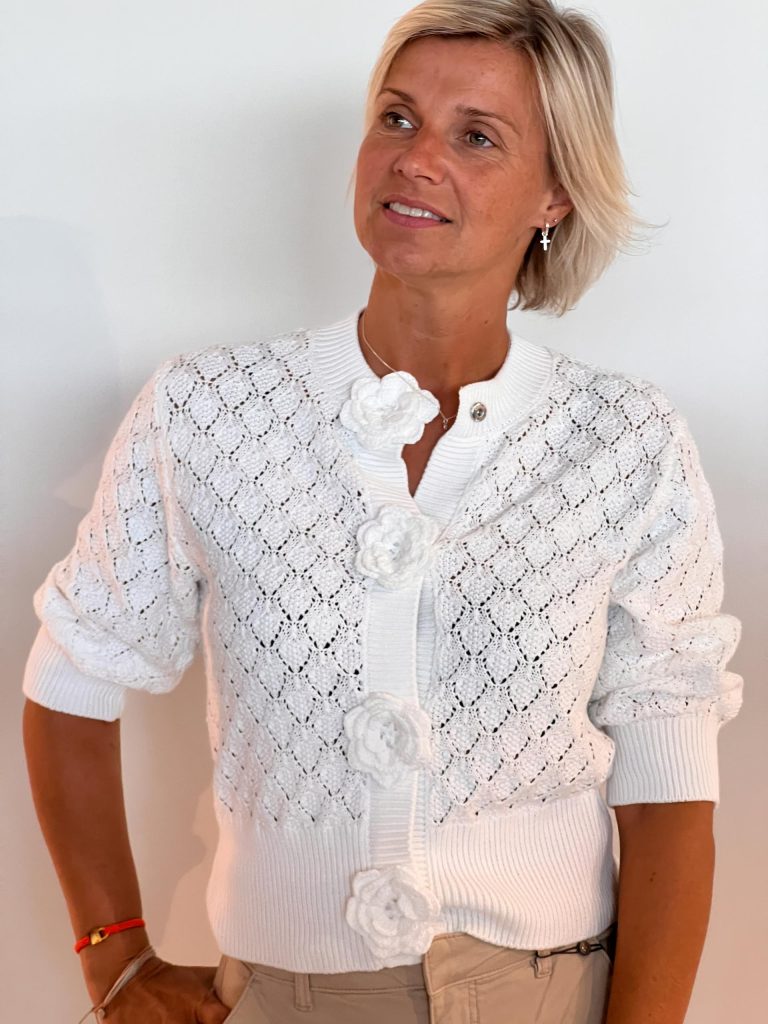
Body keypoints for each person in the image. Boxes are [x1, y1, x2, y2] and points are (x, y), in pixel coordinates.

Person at [22, 1, 744, 1022]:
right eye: (397, 119)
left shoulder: (624, 441)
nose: (415, 158)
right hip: (281, 997)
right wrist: (115, 956)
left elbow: (668, 780)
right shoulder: (209, 409)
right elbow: (73, 673)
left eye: (476, 136)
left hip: (554, 993)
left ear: (556, 193)